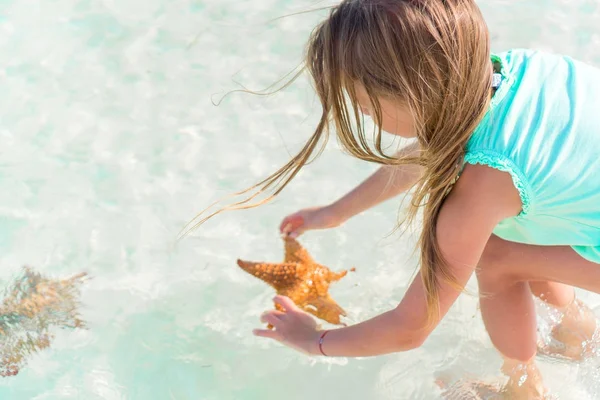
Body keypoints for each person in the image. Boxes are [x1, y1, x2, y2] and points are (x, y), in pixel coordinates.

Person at [185, 0, 600, 397]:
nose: (361, 112)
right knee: (518, 231)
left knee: (495, 256)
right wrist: (338, 212)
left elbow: (411, 328)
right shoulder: (510, 71)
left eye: (362, 102)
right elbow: (440, 147)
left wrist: (314, 340)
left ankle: (524, 389)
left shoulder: (482, 188)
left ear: (412, 94)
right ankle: (575, 334)